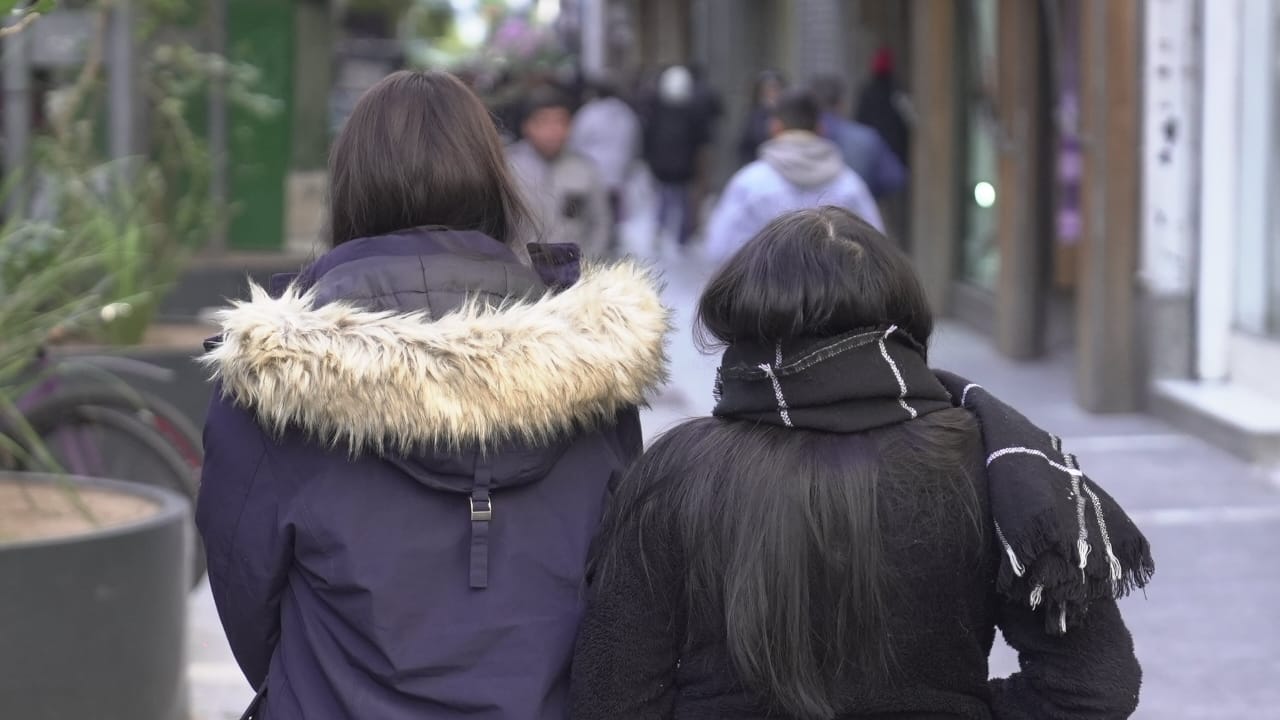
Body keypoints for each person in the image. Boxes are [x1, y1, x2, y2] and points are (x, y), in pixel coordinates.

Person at [197, 71, 670, 720]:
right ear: (493, 182)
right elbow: (617, 591)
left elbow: (246, 594)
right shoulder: (594, 366)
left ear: (352, 186)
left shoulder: (273, 378)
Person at [571, 206, 1152, 720]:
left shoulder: (676, 471)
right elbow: (1093, 686)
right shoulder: (993, 464)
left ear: (738, 324)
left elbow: (612, 697)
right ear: (906, 323)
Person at [705, 89, 883, 263]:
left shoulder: (749, 183)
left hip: (763, 290)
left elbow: (719, 249)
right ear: (821, 128)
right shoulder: (850, 184)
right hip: (838, 291)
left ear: (774, 127)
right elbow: (877, 248)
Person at [508, 87, 613, 258]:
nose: (553, 130)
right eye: (543, 122)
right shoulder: (507, 168)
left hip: (573, 274)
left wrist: (589, 264)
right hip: (519, 274)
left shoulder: (585, 170)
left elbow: (601, 222)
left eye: (561, 122)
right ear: (526, 126)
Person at [642, 65, 709, 249]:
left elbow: (649, 138)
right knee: (679, 202)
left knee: (665, 201)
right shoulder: (691, 112)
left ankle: (664, 231)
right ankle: (680, 237)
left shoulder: (658, 111)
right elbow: (699, 141)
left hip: (665, 168)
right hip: (681, 168)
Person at [810, 73, 907, 199]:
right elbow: (895, 178)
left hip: (806, 216)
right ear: (841, 103)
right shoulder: (866, 138)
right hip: (853, 214)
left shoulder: (795, 140)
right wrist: (867, 192)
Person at [569, 75, 641, 225]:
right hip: (617, 173)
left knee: (592, 217)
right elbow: (635, 142)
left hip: (592, 172)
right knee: (612, 215)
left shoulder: (589, 113)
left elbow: (575, 141)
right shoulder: (626, 113)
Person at [857, 47, 911, 166]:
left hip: (872, 151)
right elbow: (908, 122)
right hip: (894, 152)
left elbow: (860, 120)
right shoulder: (897, 91)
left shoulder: (867, 91)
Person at [737, 70, 786, 168]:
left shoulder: (787, 113)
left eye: (775, 88)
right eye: (768, 89)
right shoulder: (754, 114)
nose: (772, 93)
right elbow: (747, 144)